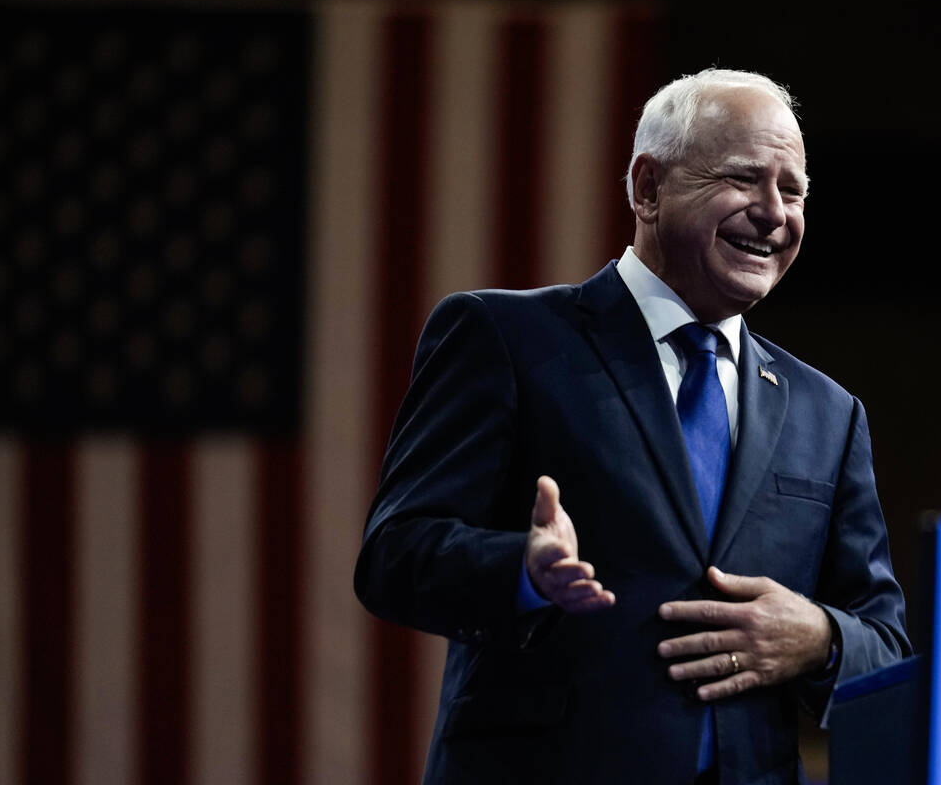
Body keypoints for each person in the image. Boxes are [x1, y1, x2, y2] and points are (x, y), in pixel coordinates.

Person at [354, 68, 910, 784]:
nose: (775, 212)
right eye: (744, 179)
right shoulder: (507, 338)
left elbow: (888, 646)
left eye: (793, 190)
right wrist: (521, 572)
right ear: (648, 188)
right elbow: (394, 556)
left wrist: (820, 638)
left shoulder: (828, 414)